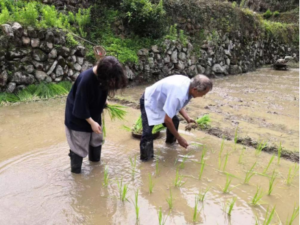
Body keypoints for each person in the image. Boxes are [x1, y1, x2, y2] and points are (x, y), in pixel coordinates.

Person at [65, 56, 127, 174]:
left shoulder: (104, 75)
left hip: (94, 112)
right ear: (102, 75)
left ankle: (95, 167)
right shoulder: (86, 80)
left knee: (96, 139)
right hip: (78, 115)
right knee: (79, 145)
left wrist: (103, 101)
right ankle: (76, 175)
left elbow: (101, 89)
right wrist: (92, 123)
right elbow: (80, 106)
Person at [139, 74, 213, 161]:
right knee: (147, 133)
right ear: (195, 90)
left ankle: (170, 145)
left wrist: (187, 118)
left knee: (175, 121)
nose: (203, 96)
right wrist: (179, 138)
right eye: (203, 94)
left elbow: (177, 105)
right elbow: (167, 120)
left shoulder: (189, 86)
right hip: (150, 100)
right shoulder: (179, 94)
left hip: (163, 101)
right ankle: (146, 161)